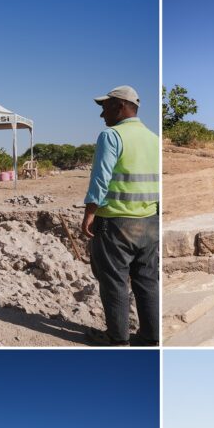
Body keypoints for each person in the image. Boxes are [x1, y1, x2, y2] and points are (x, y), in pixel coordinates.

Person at [83, 85, 161, 346]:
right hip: (149, 220)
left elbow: (101, 179)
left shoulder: (111, 136)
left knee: (114, 282)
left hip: (116, 222)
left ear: (120, 106)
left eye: (105, 107)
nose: (101, 114)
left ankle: (117, 339)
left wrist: (90, 213)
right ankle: (151, 337)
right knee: (147, 281)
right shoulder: (153, 139)